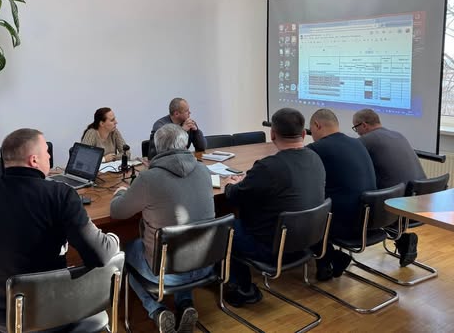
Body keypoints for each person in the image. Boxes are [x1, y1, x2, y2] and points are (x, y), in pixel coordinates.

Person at [0, 128, 120, 333]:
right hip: (45, 318)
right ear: (34, 160)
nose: (49, 156)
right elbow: (100, 255)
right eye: (46, 152)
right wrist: (113, 238)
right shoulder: (60, 194)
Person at [110, 123, 215, 333]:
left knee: (125, 252)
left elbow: (117, 212)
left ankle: (156, 310)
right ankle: (185, 304)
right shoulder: (204, 171)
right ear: (185, 144)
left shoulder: (148, 179)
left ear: (156, 148)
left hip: (166, 273)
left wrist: (121, 192)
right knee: (183, 240)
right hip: (205, 264)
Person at [223, 108, 325, 307]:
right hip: (308, 241)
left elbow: (235, 196)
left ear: (272, 134)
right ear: (303, 133)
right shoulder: (316, 158)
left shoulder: (268, 167)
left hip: (272, 247)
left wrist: (229, 184)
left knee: (225, 228)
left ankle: (242, 289)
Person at [308, 108, 377, 281]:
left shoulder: (317, 148)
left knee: (304, 208)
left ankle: (328, 259)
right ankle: (330, 258)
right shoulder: (357, 143)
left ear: (317, 125)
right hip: (370, 219)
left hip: (345, 224)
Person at [353, 108, 426, 266]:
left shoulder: (366, 140)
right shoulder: (398, 135)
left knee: (357, 203)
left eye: (356, 128)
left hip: (397, 204)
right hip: (419, 201)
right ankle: (402, 239)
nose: (357, 132)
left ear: (364, 125)